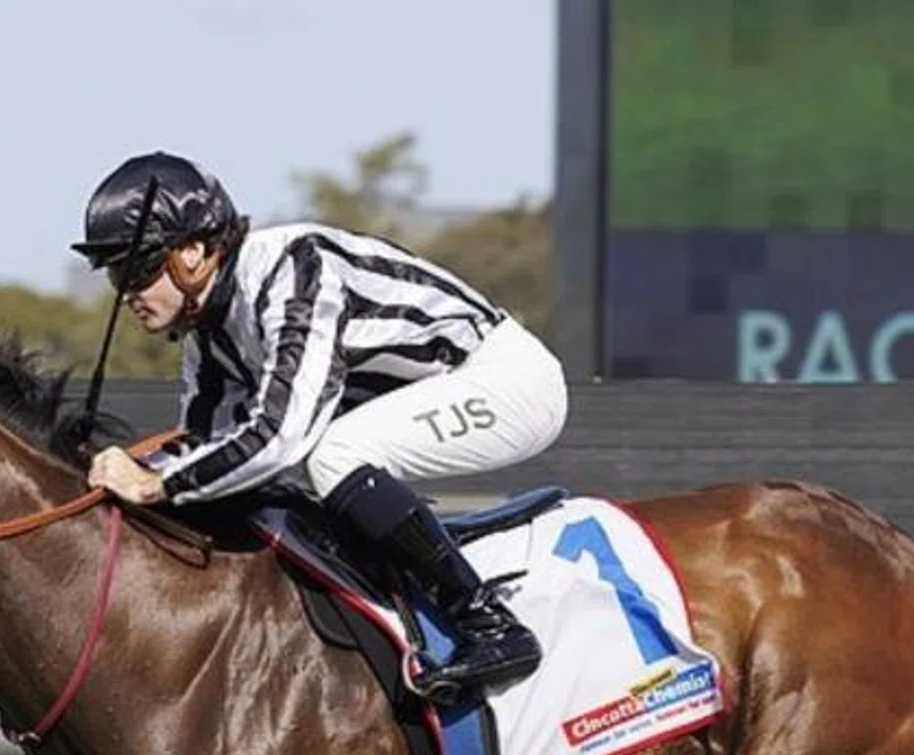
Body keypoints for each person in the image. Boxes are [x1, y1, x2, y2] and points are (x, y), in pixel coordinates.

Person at [72, 151, 567, 696]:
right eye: (113, 272)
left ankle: (490, 626)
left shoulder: (293, 270)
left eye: (135, 267)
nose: (124, 291)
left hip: (509, 381)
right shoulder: (206, 338)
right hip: (433, 391)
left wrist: (154, 481)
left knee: (330, 453)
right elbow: (205, 448)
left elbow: (279, 436)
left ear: (193, 253)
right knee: (287, 473)